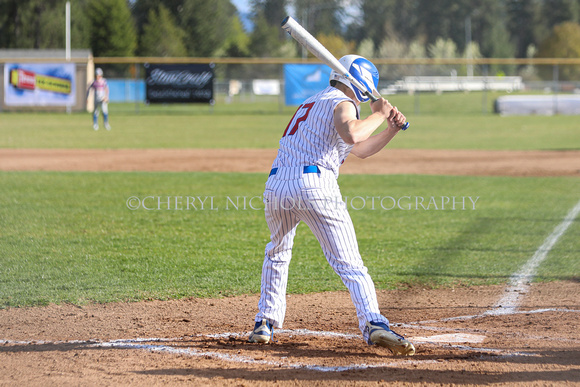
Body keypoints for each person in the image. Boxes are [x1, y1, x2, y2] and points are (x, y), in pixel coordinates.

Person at [248, 55, 415, 356]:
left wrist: (388, 128)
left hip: (276, 184)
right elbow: (352, 131)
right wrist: (380, 113)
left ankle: (264, 322)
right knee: (349, 262)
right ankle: (374, 322)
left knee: (277, 251)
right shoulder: (343, 101)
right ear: (362, 85)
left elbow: (359, 148)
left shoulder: (312, 101)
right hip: (315, 184)